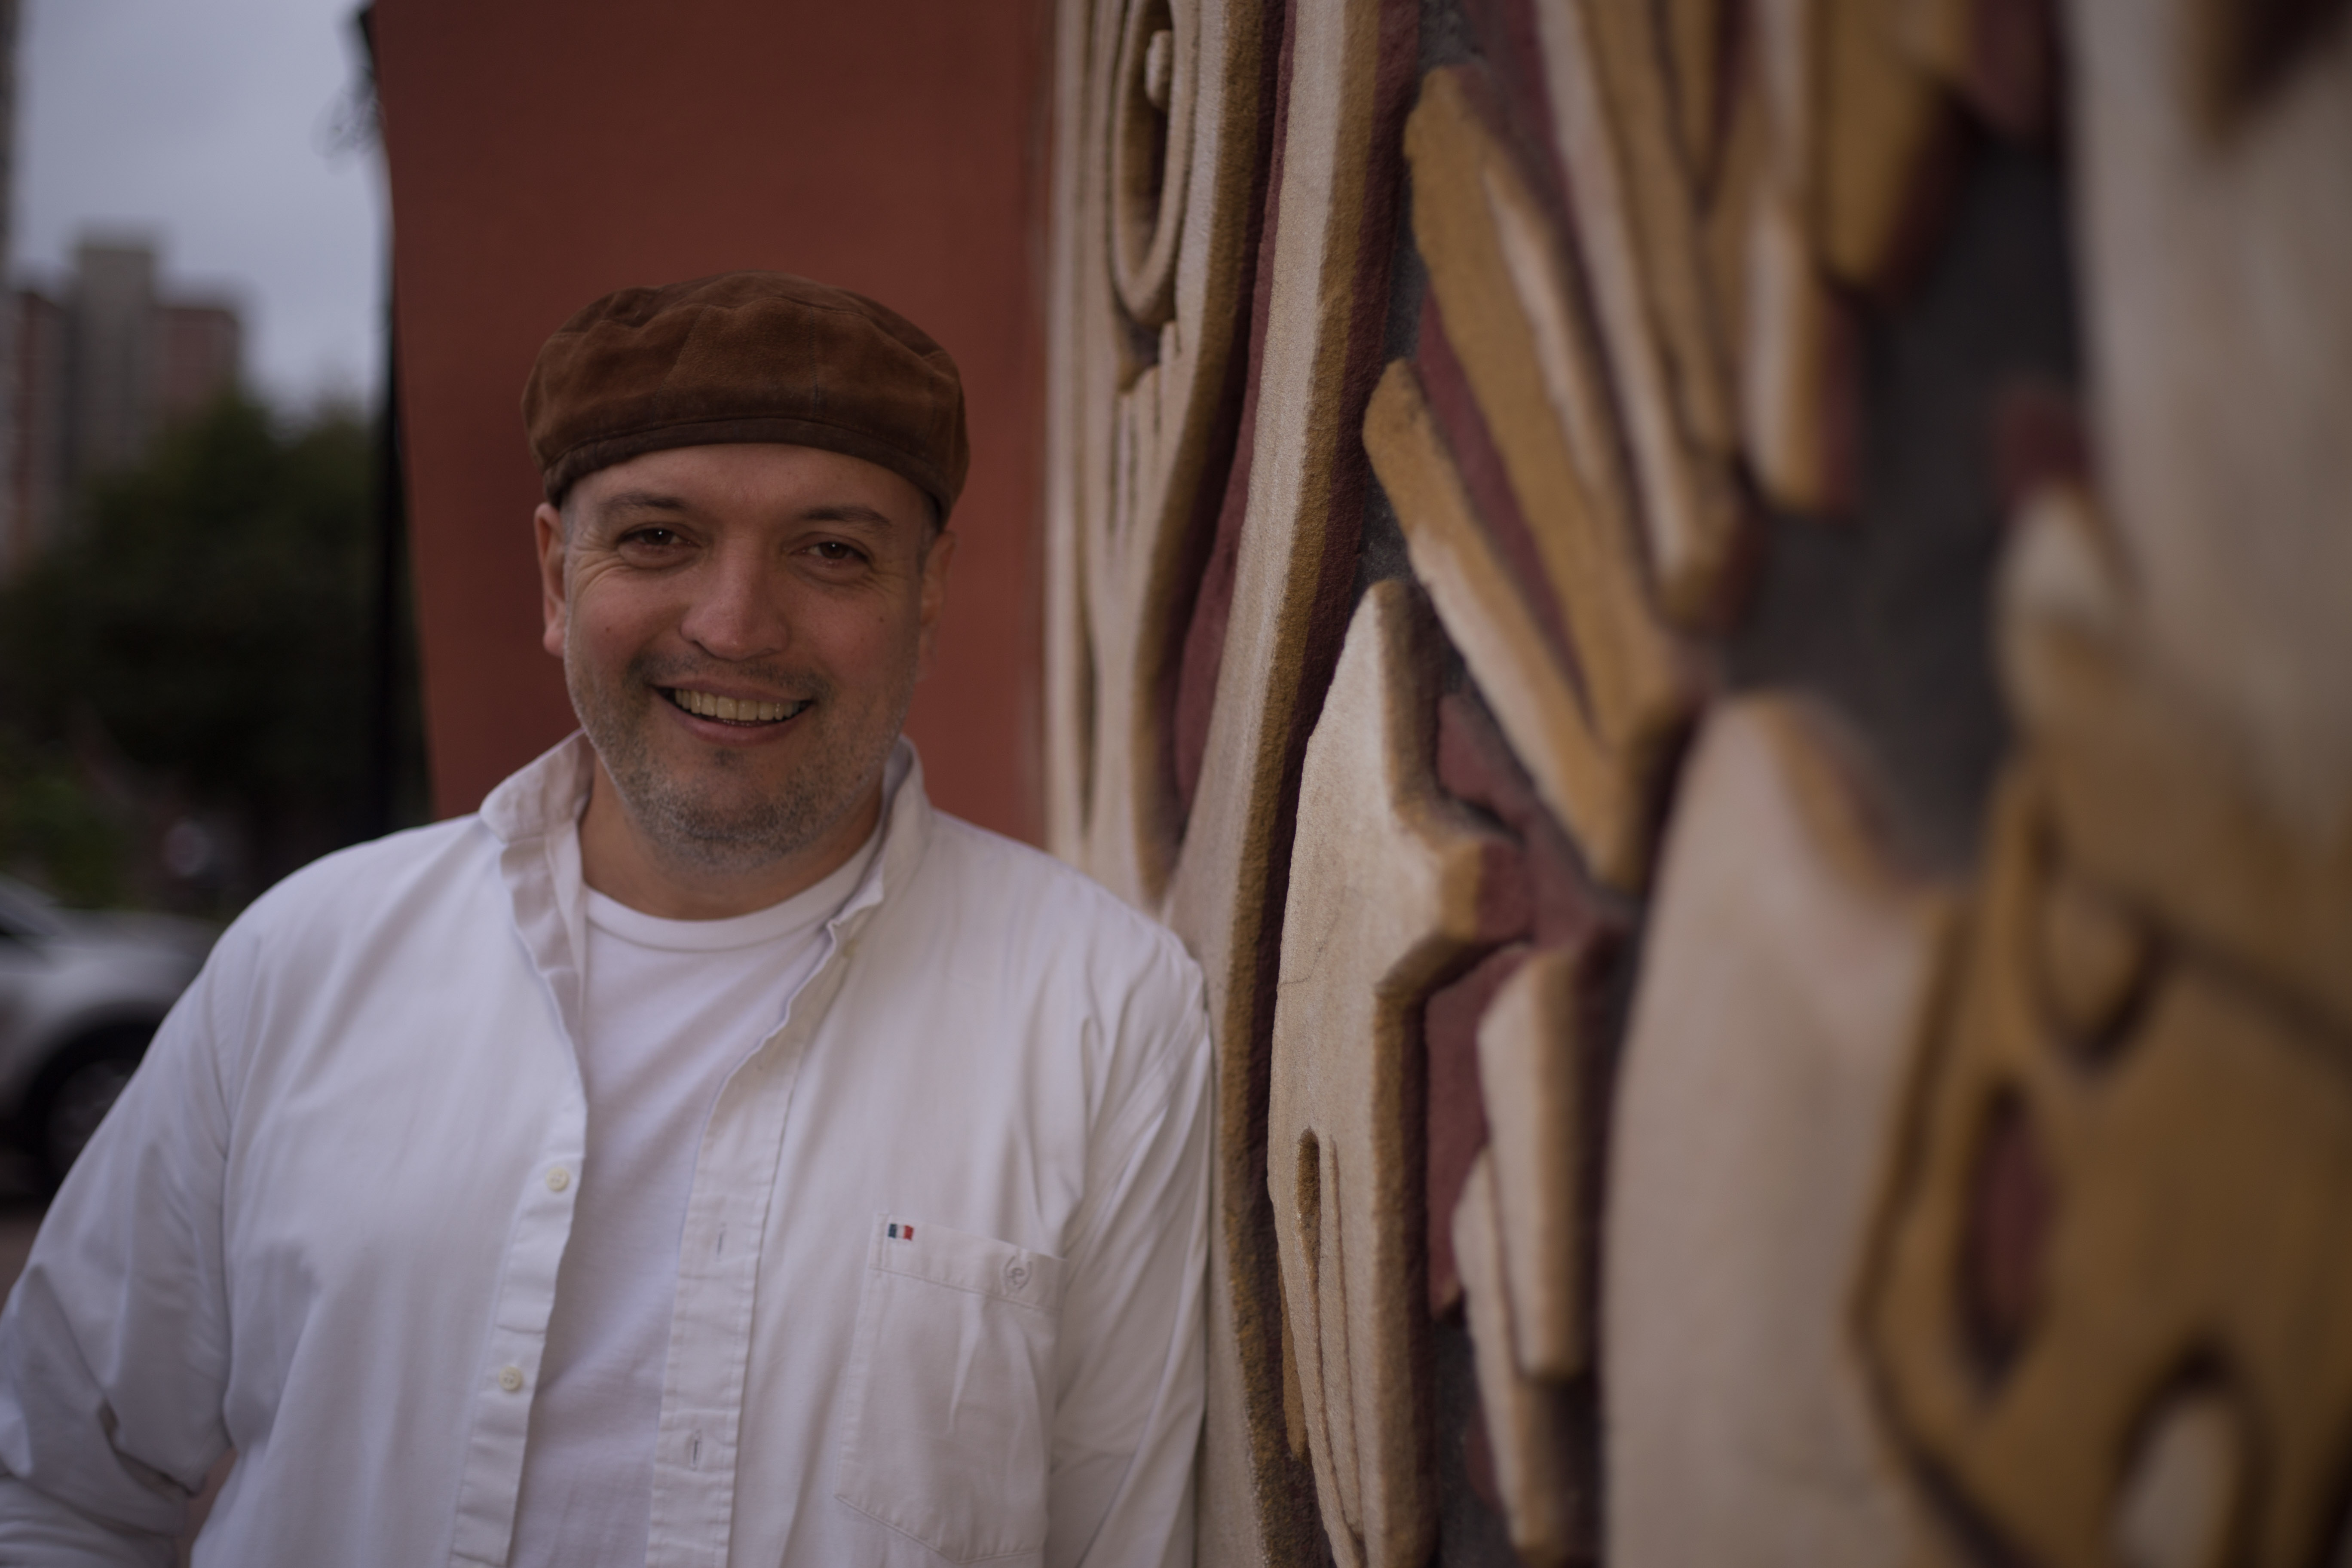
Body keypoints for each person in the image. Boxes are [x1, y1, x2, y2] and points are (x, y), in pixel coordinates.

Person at [0, 272, 1213, 1568]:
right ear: (553, 576)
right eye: (657, 538)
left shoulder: (1105, 1015)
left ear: (927, 593)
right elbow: (51, 1490)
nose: (735, 625)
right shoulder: (304, 960)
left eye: (832, 551)